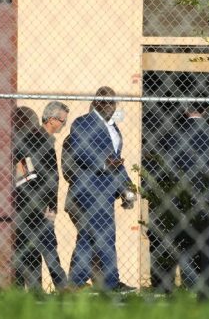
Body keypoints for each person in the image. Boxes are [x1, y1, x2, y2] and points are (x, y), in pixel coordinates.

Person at [144, 102, 209, 294]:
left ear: (185, 111)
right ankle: (200, 288)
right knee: (204, 241)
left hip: (176, 196)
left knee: (176, 242)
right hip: (207, 196)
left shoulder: (171, 134)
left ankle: (167, 289)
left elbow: (159, 165)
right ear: (208, 111)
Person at [63, 86, 135, 292]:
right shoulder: (83, 123)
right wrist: (103, 164)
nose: (111, 107)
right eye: (108, 103)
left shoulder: (114, 128)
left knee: (88, 236)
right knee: (106, 234)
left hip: (107, 191)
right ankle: (112, 283)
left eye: (114, 103)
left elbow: (117, 162)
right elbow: (79, 151)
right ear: (98, 102)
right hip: (89, 189)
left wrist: (127, 189)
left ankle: (75, 283)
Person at [12, 103, 69, 291]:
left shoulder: (34, 140)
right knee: (47, 247)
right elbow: (46, 178)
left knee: (30, 249)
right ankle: (61, 286)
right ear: (51, 120)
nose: (63, 125)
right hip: (38, 205)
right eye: (62, 121)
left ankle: (33, 290)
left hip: (27, 204)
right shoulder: (40, 141)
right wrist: (50, 207)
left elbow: (25, 173)